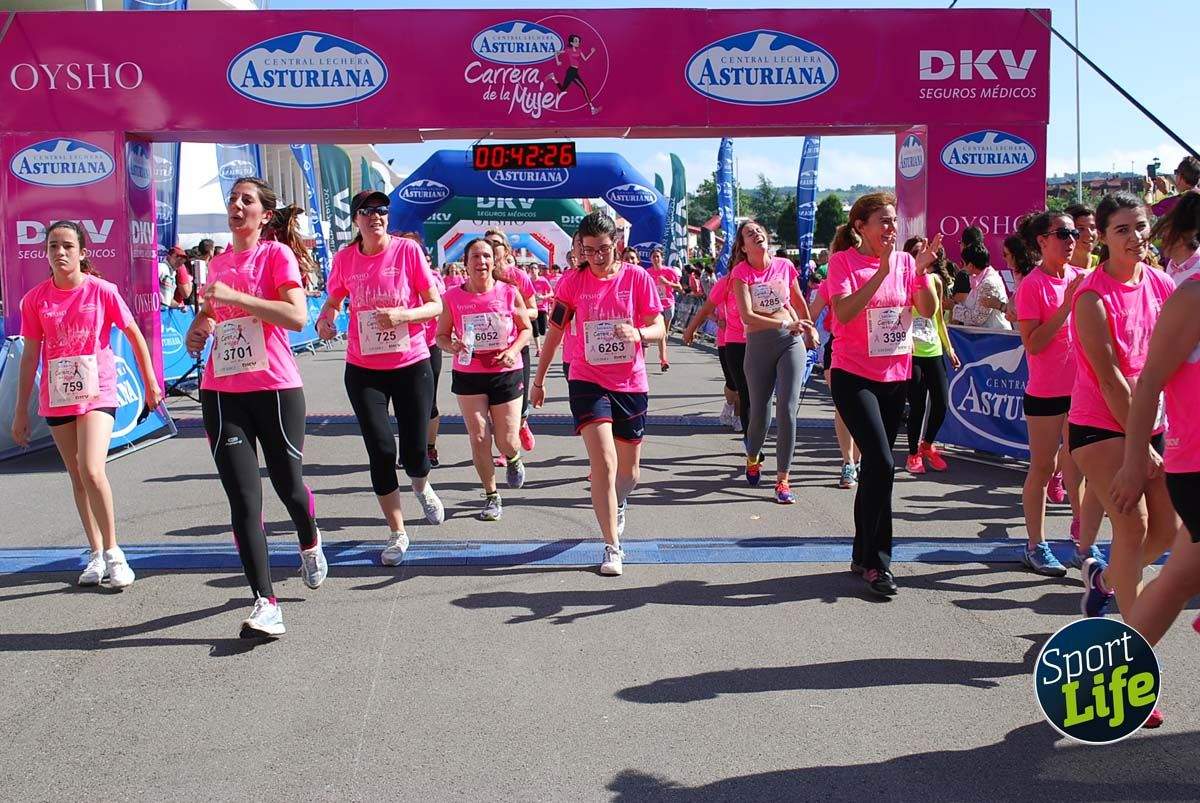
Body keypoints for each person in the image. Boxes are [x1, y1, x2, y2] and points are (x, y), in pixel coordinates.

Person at [184, 177, 327, 638]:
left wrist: (236, 298)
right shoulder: (217, 263)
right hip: (222, 391)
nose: (236, 205)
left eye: (246, 200)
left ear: (264, 216)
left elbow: (297, 317)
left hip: (275, 389)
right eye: (232, 199)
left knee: (289, 486)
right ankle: (266, 602)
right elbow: (212, 313)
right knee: (244, 499)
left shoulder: (275, 255)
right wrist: (198, 328)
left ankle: (309, 538)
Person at [11, 220, 161, 590]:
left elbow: (133, 334)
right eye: (53, 246)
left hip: (98, 392)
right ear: (46, 253)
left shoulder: (102, 291)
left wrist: (150, 381)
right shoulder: (35, 300)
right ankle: (94, 553)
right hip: (58, 395)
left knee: (92, 469)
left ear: (82, 252)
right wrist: (20, 411)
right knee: (77, 476)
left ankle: (114, 552)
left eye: (67, 246)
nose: (60, 252)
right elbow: (30, 356)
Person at [315, 195, 445, 566]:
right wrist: (324, 321)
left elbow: (435, 304)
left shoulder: (407, 251)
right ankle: (397, 532)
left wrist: (404, 315)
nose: (376, 217)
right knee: (382, 450)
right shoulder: (345, 259)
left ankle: (421, 484)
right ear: (356, 219)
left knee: (415, 453)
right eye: (368, 211)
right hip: (363, 368)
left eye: (382, 211)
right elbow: (333, 302)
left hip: (410, 363)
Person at [532, 211, 664, 575]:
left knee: (630, 473)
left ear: (616, 244)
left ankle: (617, 503)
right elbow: (555, 332)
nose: (596, 257)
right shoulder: (572, 282)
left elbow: (658, 325)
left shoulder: (636, 278)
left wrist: (639, 334)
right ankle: (612, 546)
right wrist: (538, 380)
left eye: (603, 249)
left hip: (630, 381)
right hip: (587, 378)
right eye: (588, 250)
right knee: (604, 463)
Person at [1066, 192, 1177, 619]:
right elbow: (1110, 381)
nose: (1135, 237)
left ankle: (1104, 582)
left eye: (1141, 226)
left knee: (1167, 531)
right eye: (1122, 230)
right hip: (1100, 425)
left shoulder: (1161, 282)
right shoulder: (1091, 298)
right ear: (1103, 237)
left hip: (1151, 421)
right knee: (1134, 527)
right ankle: (1136, 638)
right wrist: (1138, 444)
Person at [826, 192, 940, 597]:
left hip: (895, 374)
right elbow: (843, 313)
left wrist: (920, 273)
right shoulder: (842, 263)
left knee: (877, 468)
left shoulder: (906, 262)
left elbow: (926, 310)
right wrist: (881, 272)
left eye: (894, 220)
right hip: (853, 375)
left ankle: (861, 553)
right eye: (884, 221)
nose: (892, 228)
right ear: (861, 227)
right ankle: (879, 563)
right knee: (881, 461)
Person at [1111, 223, 1200, 731]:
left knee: (1174, 583)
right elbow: (1146, 385)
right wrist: (1132, 461)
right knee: (1172, 575)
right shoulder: (1192, 296)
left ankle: (1109, 681)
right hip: (1195, 465)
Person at [1011, 211, 1102, 579]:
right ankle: (1035, 545)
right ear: (1042, 241)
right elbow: (1033, 344)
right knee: (1043, 468)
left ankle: (1083, 541)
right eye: (1062, 233)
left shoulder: (1081, 277)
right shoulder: (1032, 285)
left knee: (1079, 467)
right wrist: (1066, 305)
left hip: (1082, 391)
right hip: (1046, 392)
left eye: (1074, 233)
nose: (1071, 240)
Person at [437, 238, 532, 520]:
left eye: (487, 256)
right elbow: (440, 336)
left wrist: (512, 351)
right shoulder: (452, 297)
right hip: (469, 373)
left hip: (505, 371)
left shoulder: (509, 292)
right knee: (479, 436)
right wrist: (452, 345)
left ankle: (513, 457)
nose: (482, 262)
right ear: (465, 263)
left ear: (494, 261)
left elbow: (526, 329)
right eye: (475, 257)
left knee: (507, 440)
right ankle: (492, 496)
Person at [729, 220, 819, 504]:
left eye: (759, 230)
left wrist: (809, 328)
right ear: (743, 247)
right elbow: (746, 315)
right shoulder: (741, 273)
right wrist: (783, 323)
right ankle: (753, 456)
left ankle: (783, 480)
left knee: (788, 409)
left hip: (790, 341)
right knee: (760, 413)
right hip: (759, 345)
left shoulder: (784, 265)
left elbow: (798, 301)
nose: (756, 234)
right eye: (749, 233)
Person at [901, 237, 960, 474]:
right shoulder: (902, 281)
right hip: (911, 352)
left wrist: (949, 348)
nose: (921, 255)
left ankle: (927, 445)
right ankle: (912, 454)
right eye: (916, 252)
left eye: (924, 251)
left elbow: (938, 319)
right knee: (916, 405)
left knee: (941, 403)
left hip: (933, 349)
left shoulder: (934, 280)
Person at [485, 229, 538, 455]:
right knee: (495, 407)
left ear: (506, 250)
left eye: (495, 243)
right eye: (487, 242)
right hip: (488, 350)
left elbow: (534, 310)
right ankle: (505, 452)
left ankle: (522, 423)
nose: (490, 246)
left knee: (519, 404)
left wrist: (514, 313)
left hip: (517, 347)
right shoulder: (479, 276)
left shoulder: (518, 276)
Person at [806, 276, 861, 488]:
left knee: (864, 411)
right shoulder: (833, 281)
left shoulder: (879, 274)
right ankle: (848, 462)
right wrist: (807, 330)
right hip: (838, 348)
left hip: (872, 353)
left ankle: (858, 460)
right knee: (844, 406)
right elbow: (811, 314)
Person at [682, 272, 743, 433]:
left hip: (746, 340)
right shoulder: (723, 286)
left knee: (742, 383)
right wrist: (716, 320)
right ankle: (729, 405)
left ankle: (739, 416)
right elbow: (706, 309)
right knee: (732, 383)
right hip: (725, 340)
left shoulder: (749, 286)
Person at [952, 228, 1011, 329]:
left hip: (994, 335)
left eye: (963, 263)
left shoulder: (988, 283)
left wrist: (954, 308)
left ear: (971, 265)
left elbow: (978, 318)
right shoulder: (980, 279)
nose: (963, 267)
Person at [1150, 190, 1200, 283]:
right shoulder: (1173, 264)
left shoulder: (1197, 271)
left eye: (1163, 236)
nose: (1160, 241)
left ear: (1181, 238)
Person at [646, 246, 682, 372]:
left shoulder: (669, 271)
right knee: (661, 332)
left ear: (662, 258)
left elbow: (680, 288)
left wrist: (667, 283)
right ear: (650, 259)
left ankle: (663, 356)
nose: (656, 259)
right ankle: (663, 360)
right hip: (655, 306)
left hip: (668, 304)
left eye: (658, 256)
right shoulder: (647, 273)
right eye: (653, 257)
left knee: (664, 333)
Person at [549, 34, 599, 115]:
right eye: (576, 41)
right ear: (571, 43)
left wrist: (591, 52)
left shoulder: (579, 50)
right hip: (571, 71)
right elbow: (556, 52)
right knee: (584, 88)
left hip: (574, 71)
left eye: (578, 41)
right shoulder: (568, 50)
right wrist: (557, 61)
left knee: (563, 89)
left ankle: (553, 77)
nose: (578, 42)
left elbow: (585, 59)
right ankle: (592, 108)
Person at [1066, 203, 1099, 271]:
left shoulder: (1105, 266)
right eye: (1081, 228)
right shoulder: (1056, 268)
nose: (1089, 233)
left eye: (1093, 227)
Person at [531, 264, 554, 356]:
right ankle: (539, 349)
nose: (533, 270)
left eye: (535, 268)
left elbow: (551, 293)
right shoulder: (528, 281)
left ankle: (545, 346)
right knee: (535, 329)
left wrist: (543, 297)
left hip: (542, 308)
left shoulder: (543, 281)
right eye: (531, 268)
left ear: (538, 270)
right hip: (533, 308)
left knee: (542, 330)